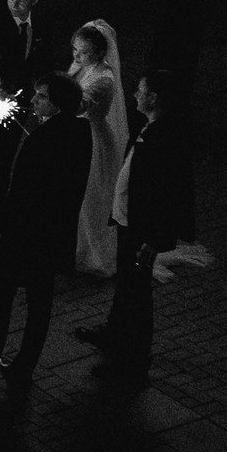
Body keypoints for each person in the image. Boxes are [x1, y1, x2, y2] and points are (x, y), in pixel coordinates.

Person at [0, 72, 92, 401]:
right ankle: (24, 365)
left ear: (57, 103)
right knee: (39, 303)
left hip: (22, 234)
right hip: (53, 235)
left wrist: (0, 221)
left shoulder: (44, 138)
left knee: (1, 301)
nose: (34, 101)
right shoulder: (80, 131)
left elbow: (24, 189)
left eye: (41, 97)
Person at [78, 69, 182, 383]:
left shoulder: (164, 138)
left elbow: (166, 194)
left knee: (138, 295)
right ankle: (115, 335)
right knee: (127, 285)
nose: (135, 94)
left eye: (140, 90)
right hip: (128, 223)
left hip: (141, 230)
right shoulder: (147, 127)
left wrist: (153, 239)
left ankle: (132, 363)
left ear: (153, 98)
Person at [68, 21, 128, 277]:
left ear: (100, 53)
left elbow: (78, 106)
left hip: (93, 140)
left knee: (91, 196)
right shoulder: (81, 68)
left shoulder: (104, 79)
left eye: (83, 52)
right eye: (75, 50)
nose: (77, 56)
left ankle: (93, 252)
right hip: (78, 136)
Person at [0, 0, 48, 104]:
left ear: (34, 1)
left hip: (25, 91)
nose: (14, 5)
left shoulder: (41, 23)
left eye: (22, 1)